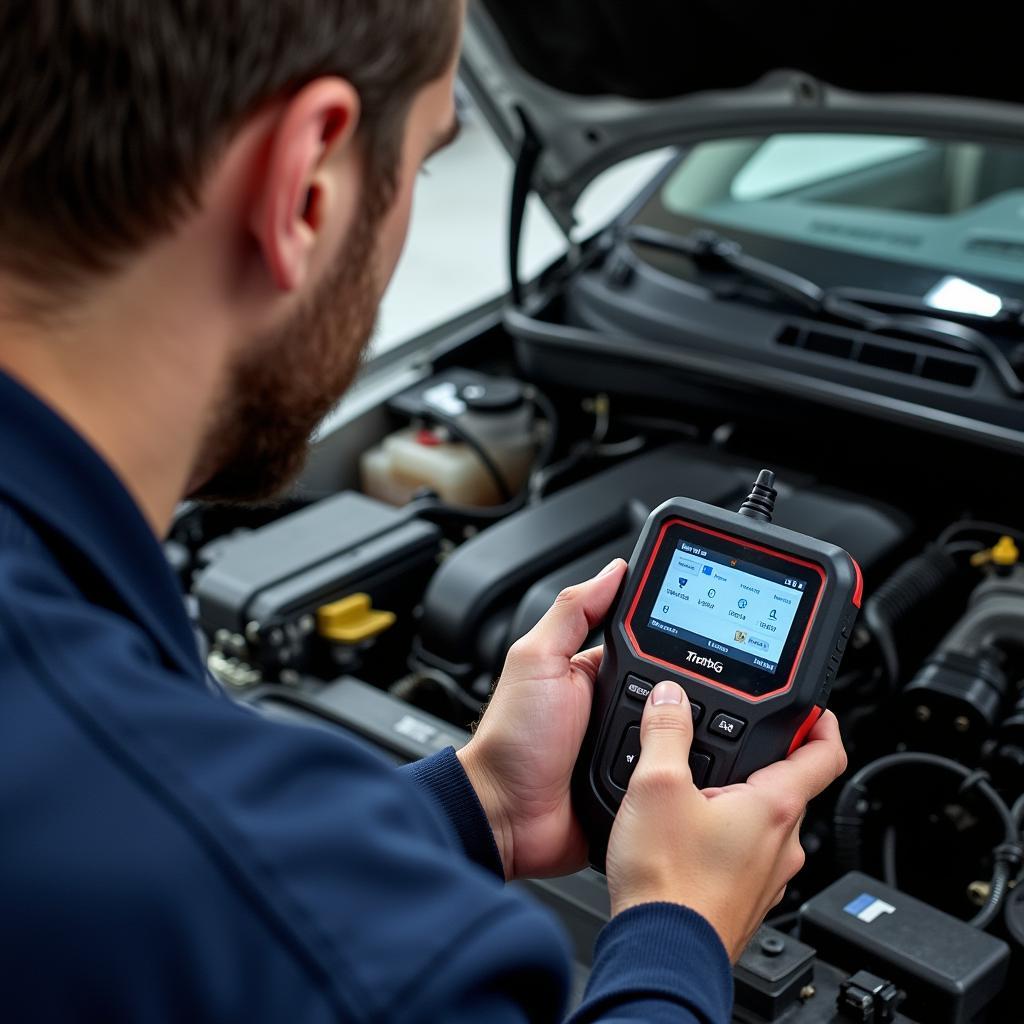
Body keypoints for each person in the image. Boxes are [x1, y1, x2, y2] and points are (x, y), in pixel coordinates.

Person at [0, 2, 847, 1021]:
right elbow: (237, 890)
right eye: (423, 163)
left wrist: (482, 800)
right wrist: (679, 929)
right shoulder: (330, 949)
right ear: (303, 187)